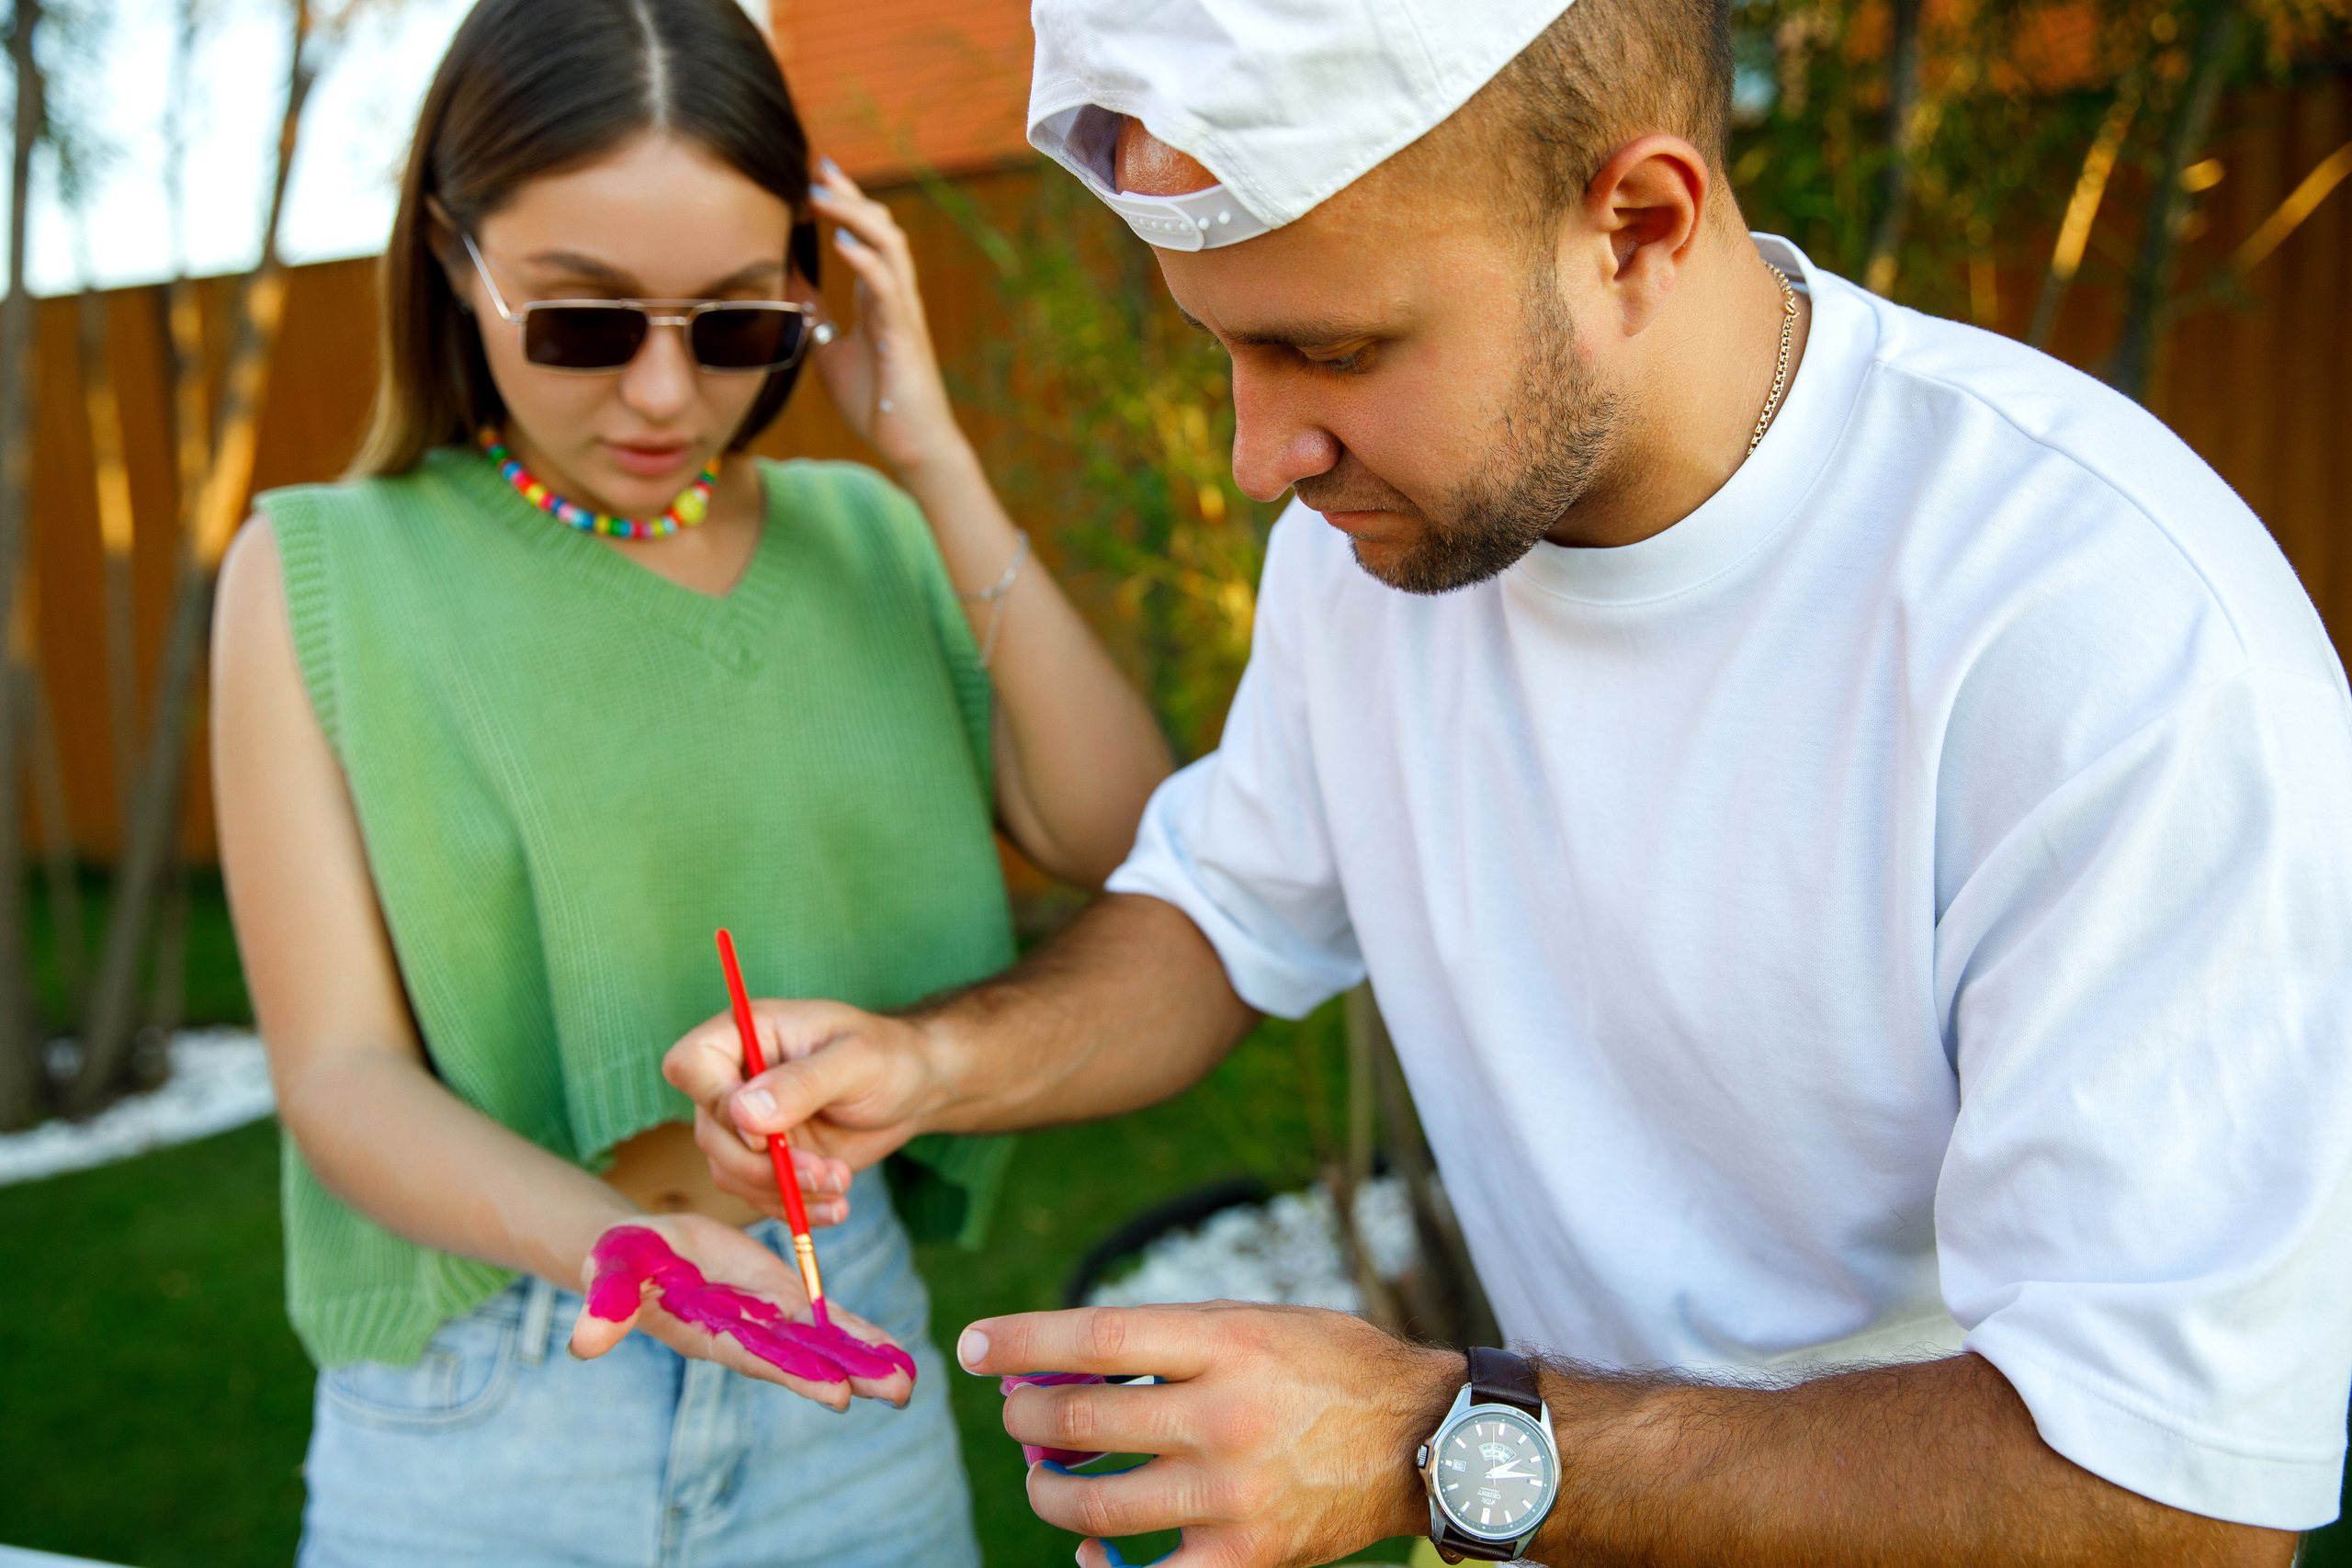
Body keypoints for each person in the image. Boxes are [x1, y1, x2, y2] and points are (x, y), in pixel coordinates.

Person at [663, 0, 2352, 1564]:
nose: (1263, 453)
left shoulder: (2102, 637)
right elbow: (1231, 909)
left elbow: (2171, 1492)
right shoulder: (1373, 548)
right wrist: (932, 1062)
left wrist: (1436, 1442)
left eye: (1335, 349)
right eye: (1228, 351)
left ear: (1638, 227)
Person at [209, 1, 1170, 1562]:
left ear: (813, 284)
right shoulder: (322, 574)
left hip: (843, 1382)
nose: (664, 396)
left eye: (732, 325)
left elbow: (1121, 828)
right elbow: (338, 1077)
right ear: (456, 264)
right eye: (585, 323)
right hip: (493, 1405)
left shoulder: (869, 545)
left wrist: (928, 453)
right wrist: (629, 1248)